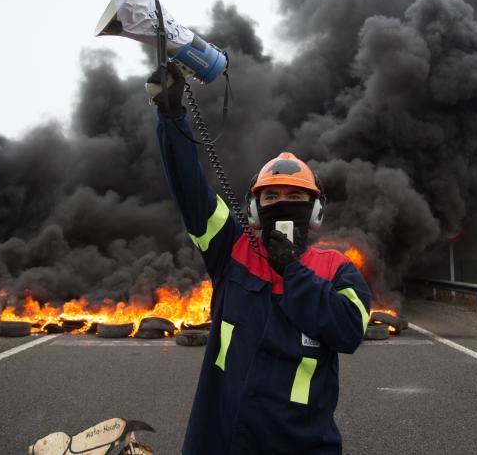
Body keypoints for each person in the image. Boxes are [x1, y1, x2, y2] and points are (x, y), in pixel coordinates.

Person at [150, 64, 372, 455]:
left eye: (294, 198)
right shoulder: (231, 248)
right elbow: (190, 189)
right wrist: (171, 115)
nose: (282, 205)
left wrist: (293, 271)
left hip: (304, 445)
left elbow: (347, 331)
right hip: (221, 441)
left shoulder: (338, 269)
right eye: (270, 198)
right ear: (254, 210)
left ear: (315, 211)